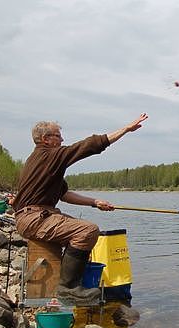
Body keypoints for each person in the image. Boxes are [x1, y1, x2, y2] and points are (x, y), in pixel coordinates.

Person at [13, 113, 148, 303]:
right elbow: (88, 146)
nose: (62, 140)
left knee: (82, 232)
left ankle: (71, 284)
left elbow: (65, 195)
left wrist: (95, 202)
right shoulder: (48, 155)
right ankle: (67, 289)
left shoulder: (43, 162)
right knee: (87, 231)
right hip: (34, 218)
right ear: (46, 139)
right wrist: (125, 129)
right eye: (58, 136)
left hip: (33, 217)